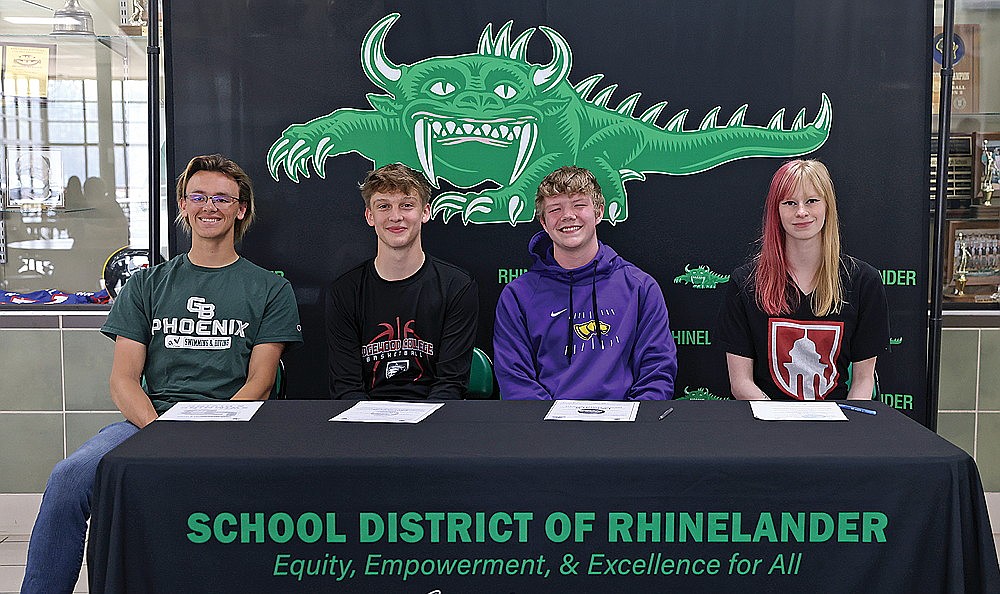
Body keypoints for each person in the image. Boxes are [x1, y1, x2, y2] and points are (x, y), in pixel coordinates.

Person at [21, 154, 303, 593]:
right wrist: (160, 433)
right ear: (183, 204)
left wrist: (207, 432)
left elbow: (260, 383)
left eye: (222, 198)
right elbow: (123, 380)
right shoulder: (146, 284)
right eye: (199, 196)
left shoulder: (270, 288)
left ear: (240, 209)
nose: (210, 206)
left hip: (233, 425)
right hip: (148, 421)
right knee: (68, 478)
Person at [493, 165, 677, 400]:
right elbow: (516, 381)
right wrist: (549, 431)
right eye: (555, 209)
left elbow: (657, 373)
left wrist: (631, 430)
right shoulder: (518, 296)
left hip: (624, 429)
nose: (568, 216)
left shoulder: (640, 288)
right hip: (548, 430)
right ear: (543, 222)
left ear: (599, 212)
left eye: (579, 205)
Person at [716, 159, 889, 401]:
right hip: (767, 427)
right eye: (789, 202)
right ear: (776, 210)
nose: (801, 212)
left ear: (827, 206)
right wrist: (777, 421)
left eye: (811, 201)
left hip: (836, 428)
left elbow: (863, 380)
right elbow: (740, 382)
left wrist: (848, 432)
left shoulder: (863, 282)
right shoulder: (745, 282)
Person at [326, 163, 478, 399]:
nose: (395, 216)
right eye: (384, 206)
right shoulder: (345, 291)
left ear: (425, 212)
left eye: (406, 205)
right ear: (369, 215)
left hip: (434, 423)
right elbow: (347, 388)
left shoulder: (456, 286)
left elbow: (450, 384)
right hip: (365, 425)